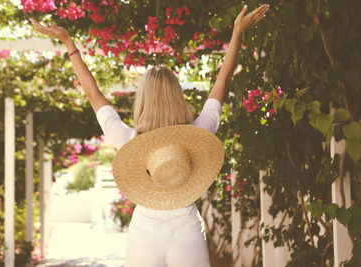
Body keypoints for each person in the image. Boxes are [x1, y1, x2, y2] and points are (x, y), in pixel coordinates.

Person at [31, 3, 268, 266]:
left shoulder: (128, 140)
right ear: (177, 98)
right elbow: (222, 82)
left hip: (144, 233)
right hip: (188, 231)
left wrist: (68, 42)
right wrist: (236, 34)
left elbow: (93, 93)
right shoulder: (199, 132)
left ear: (143, 101)